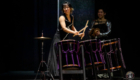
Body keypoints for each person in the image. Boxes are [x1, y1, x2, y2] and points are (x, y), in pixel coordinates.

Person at [47, 1, 84, 77]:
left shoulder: (72, 17)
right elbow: (64, 28)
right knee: (56, 55)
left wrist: (78, 33)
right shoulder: (62, 17)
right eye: (64, 8)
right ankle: (54, 74)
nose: (66, 9)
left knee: (64, 54)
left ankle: (64, 73)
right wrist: (74, 33)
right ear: (63, 9)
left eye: (67, 7)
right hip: (58, 37)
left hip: (65, 38)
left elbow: (72, 27)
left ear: (70, 8)